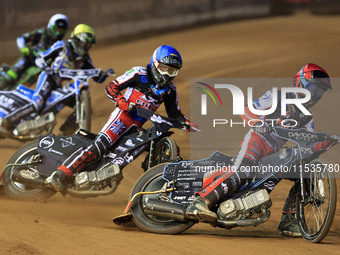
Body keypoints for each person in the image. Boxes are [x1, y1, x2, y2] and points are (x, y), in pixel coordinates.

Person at [185, 63, 332, 237]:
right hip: (257, 141)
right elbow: (245, 109)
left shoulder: (307, 117)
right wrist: (257, 123)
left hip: (273, 154)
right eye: (314, 88)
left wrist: (324, 143)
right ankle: (200, 201)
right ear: (300, 82)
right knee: (242, 171)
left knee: (304, 172)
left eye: (320, 91)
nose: (316, 94)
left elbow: (309, 143)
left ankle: (289, 221)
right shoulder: (277, 95)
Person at [46, 45, 198, 191]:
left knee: (121, 159)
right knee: (100, 146)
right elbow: (111, 87)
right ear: (155, 63)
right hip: (121, 118)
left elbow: (174, 113)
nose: (167, 74)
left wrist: (186, 122)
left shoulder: (170, 90)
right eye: (164, 68)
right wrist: (121, 101)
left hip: (136, 127)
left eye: (172, 71)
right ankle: (60, 174)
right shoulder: (139, 73)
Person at [0, 24, 110, 135]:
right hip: (49, 77)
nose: (85, 47)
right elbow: (42, 57)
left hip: (59, 85)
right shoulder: (62, 46)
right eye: (83, 43)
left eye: (88, 45)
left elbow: (97, 78)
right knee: (37, 103)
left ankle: (65, 133)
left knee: (85, 109)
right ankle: (6, 121)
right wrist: (44, 65)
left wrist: (105, 73)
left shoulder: (84, 58)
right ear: (76, 39)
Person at [0, 14, 69, 90]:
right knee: (12, 75)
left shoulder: (61, 45)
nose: (58, 33)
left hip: (40, 67)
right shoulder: (42, 33)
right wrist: (23, 48)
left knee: (26, 84)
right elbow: (21, 38)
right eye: (56, 29)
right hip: (29, 58)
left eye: (61, 31)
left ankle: (13, 93)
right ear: (50, 26)